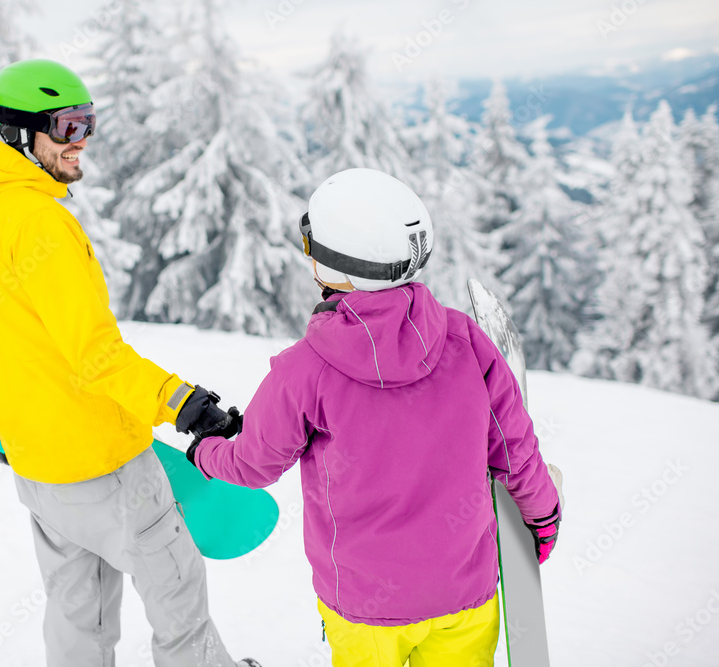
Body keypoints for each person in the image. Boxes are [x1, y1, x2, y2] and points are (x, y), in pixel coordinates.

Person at [186, 168, 564, 667]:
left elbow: (254, 465)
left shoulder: (305, 368)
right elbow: (515, 451)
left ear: (334, 265)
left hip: (365, 606)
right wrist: (542, 517)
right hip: (464, 594)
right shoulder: (465, 340)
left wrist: (204, 453)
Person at [0, 58, 260, 667]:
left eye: (89, 123)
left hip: (40, 469)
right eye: (68, 127)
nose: (82, 142)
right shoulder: (45, 223)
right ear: (22, 134)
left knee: (78, 612)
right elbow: (96, 354)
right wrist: (184, 404)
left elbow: (12, 337)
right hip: (103, 465)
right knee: (176, 590)